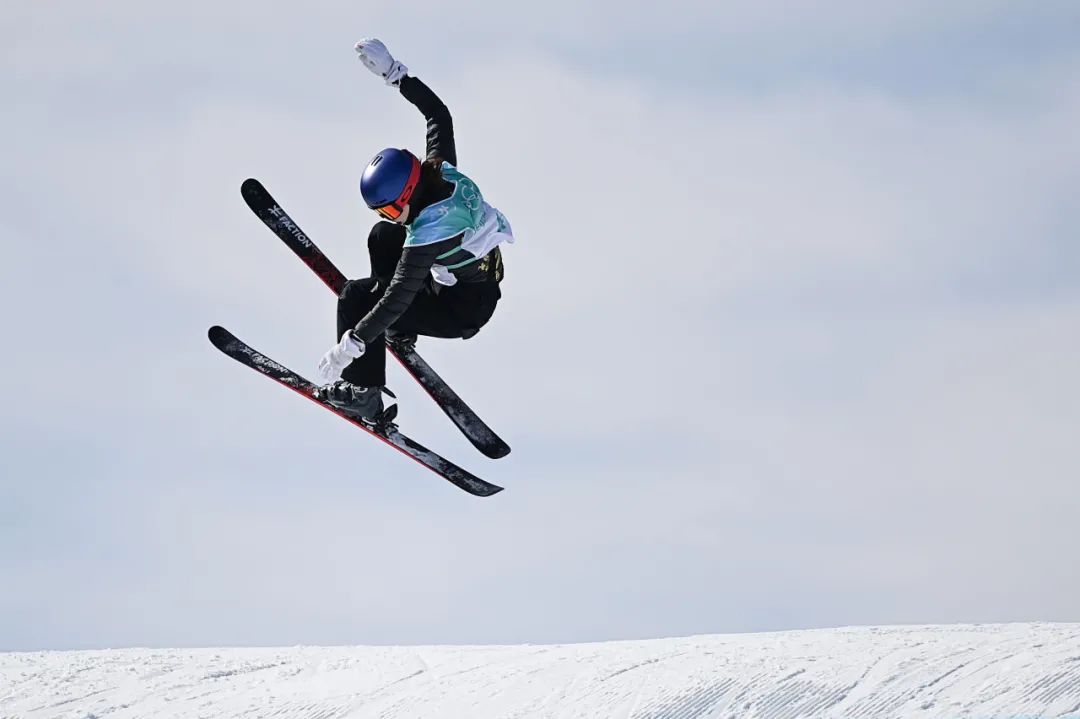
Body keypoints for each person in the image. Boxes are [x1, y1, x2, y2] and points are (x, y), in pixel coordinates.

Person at [314, 38, 514, 423]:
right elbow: (439, 116)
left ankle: (363, 392)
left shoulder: (432, 230)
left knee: (356, 296)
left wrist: (351, 345)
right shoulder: (439, 171)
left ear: (405, 192)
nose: (390, 215)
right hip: (459, 283)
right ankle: (399, 335)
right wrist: (395, 74)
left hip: (463, 310)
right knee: (382, 237)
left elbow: (395, 298)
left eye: (389, 208)